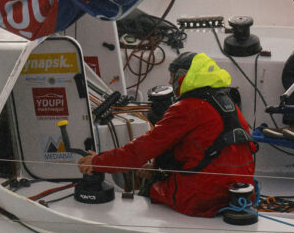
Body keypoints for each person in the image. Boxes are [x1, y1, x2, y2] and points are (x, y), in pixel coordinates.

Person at [79, 52, 256, 217]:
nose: (170, 82)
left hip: (203, 198)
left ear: (183, 76)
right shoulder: (225, 101)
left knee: (149, 190)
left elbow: (143, 148)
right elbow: (201, 149)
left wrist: (98, 162)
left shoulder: (187, 108)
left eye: (172, 76)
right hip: (240, 190)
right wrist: (158, 170)